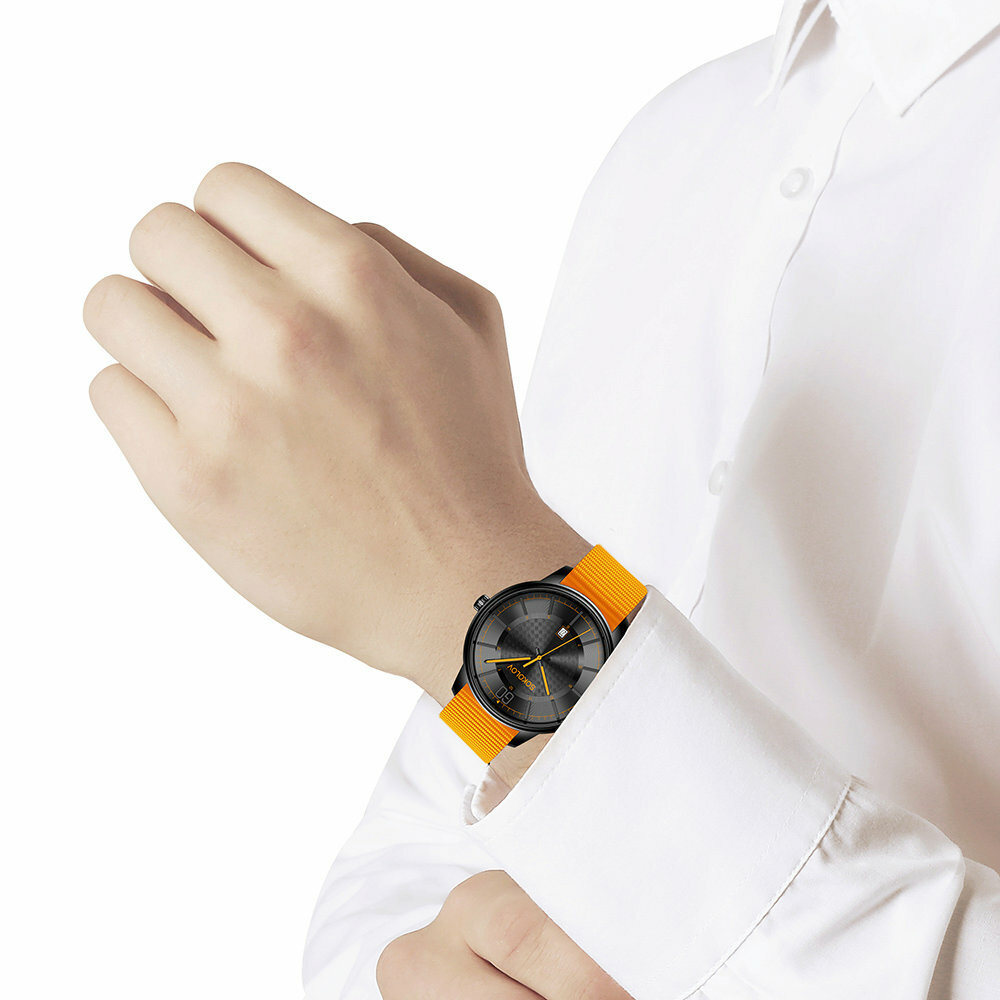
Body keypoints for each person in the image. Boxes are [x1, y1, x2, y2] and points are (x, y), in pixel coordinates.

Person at [84, 0, 1000, 995]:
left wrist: (474, 585)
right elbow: (431, 828)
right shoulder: (684, 142)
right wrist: (416, 962)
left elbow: (494, 654)